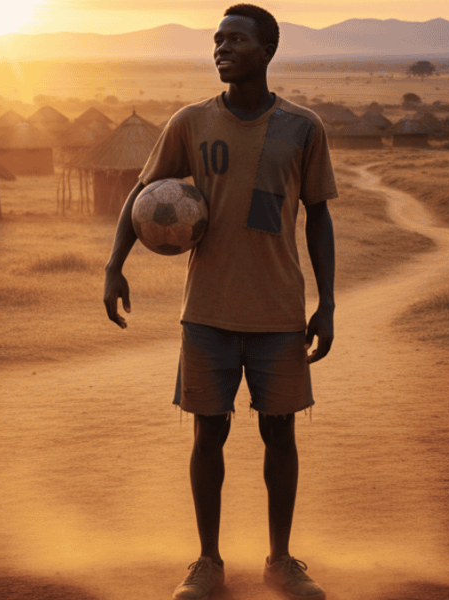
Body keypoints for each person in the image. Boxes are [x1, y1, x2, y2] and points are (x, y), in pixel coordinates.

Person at [103, 4, 336, 599]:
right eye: (217, 39)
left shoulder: (301, 127)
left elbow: (318, 217)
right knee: (208, 435)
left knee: (280, 434)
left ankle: (281, 560)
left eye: (236, 39)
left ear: (267, 51)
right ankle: (207, 562)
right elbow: (142, 192)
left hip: (279, 311)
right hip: (205, 310)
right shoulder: (189, 122)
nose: (221, 48)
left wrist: (327, 303)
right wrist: (113, 266)